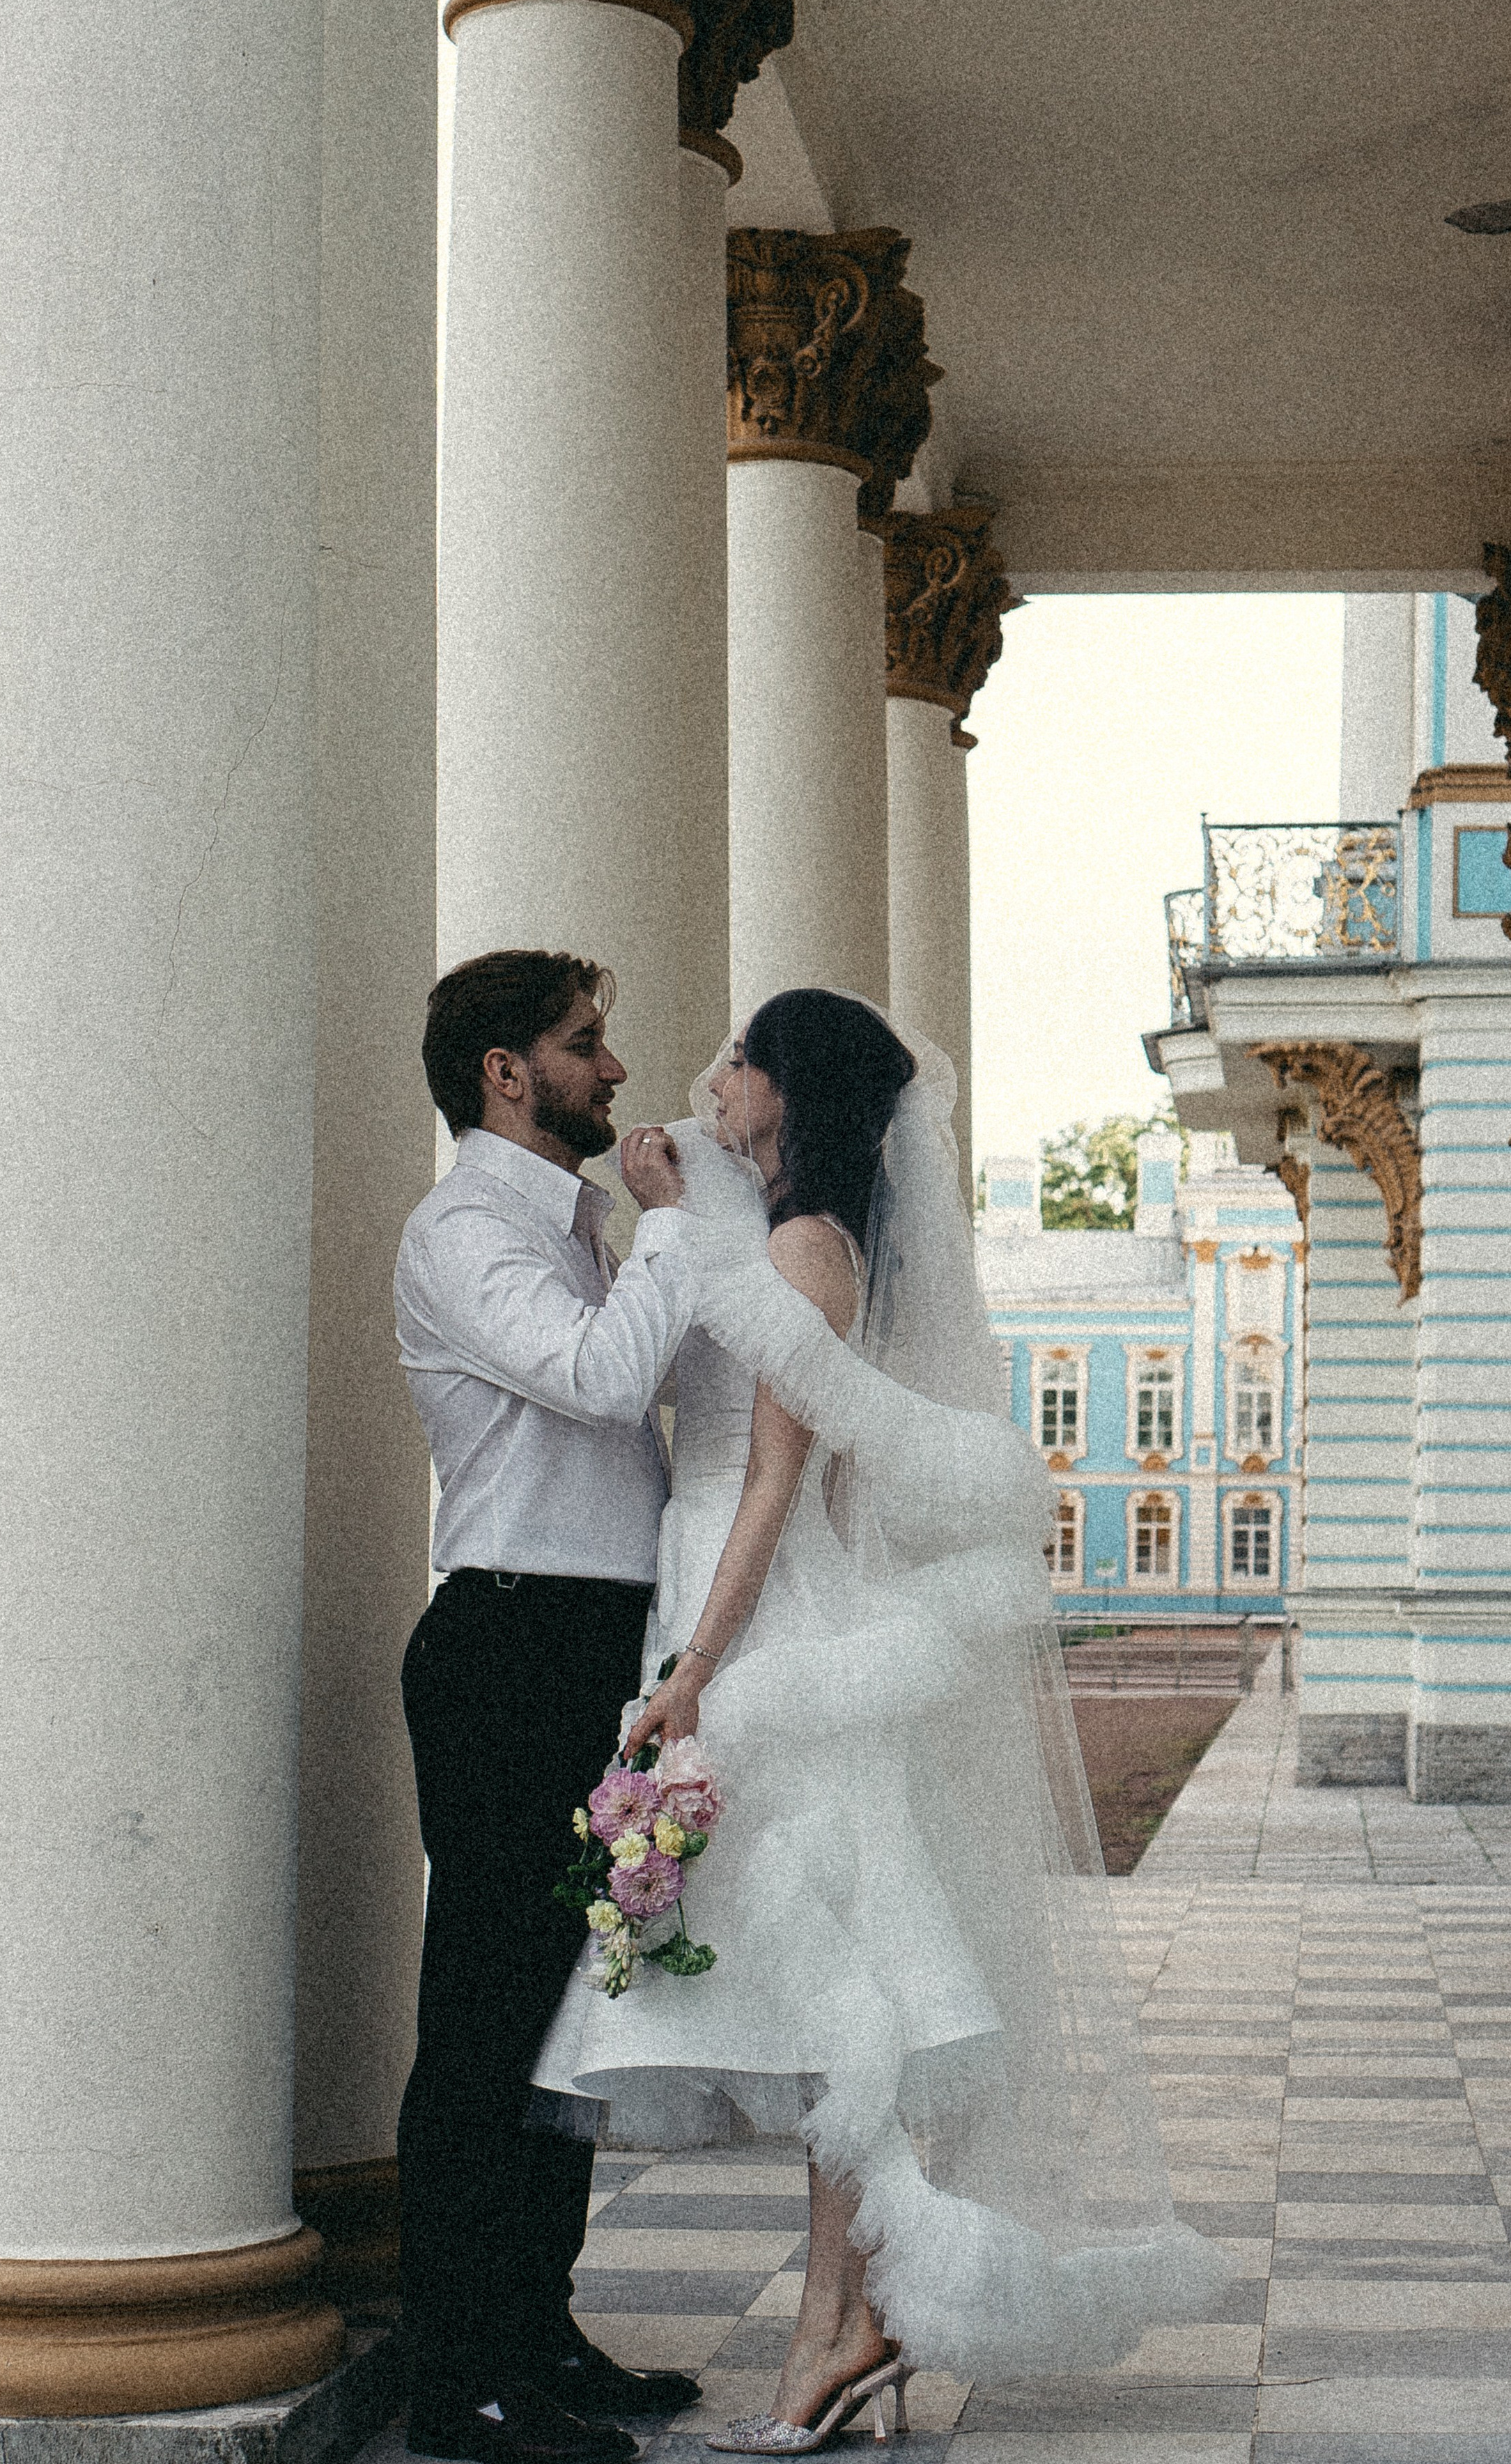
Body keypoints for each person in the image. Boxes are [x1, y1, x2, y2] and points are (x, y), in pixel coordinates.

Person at [535, 989, 1230, 2454]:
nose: (709, 1078)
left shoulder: (796, 1251)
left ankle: (835, 2326)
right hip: (732, 1594)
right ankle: (843, 2321)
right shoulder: (776, 1240)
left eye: (738, 1062)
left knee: (845, 1993)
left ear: (789, 1095)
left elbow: (778, 1491)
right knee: (825, 2001)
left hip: (767, 1615)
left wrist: (694, 1674)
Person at [390, 950, 704, 2464]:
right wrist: (668, 1231)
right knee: (485, 2018)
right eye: (588, 1044)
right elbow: (593, 1379)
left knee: (567, 2010)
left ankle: (538, 2326)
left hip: (588, 1649)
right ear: (504, 1072)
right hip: (509, 1646)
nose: (615, 1070)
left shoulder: (572, 1229)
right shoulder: (463, 1231)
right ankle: (460, 2379)